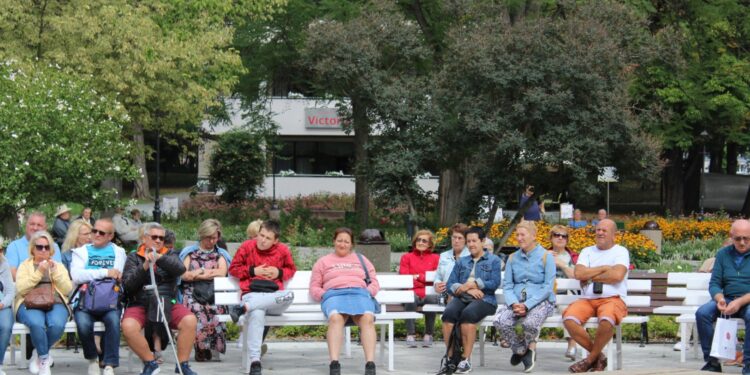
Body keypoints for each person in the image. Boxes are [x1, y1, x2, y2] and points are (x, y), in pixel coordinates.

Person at [121, 222, 198, 375]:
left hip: (167, 301)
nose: (158, 241)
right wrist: (144, 266)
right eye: (154, 237)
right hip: (140, 303)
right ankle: (150, 363)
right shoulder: (133, 257)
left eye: (161, 238)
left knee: (190, 320)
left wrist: (159, 258)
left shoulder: (169, 254)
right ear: (144, 239)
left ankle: (182, 364)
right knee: (128, 327)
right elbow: (128, 285)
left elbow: (180, 269)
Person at [228, 220, 296, 375]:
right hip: (252, 294)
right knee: (257, 313)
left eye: (268, 238)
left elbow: (291, 270)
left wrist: (278, 273)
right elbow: (233, 269)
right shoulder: (247, 246)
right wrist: (253, 271)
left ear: (276, 241)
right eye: (261, 235)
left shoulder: (283, 250)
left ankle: (244, 308)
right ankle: (255, 362)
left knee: (289, 295)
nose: (262, 240)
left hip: (274, 299)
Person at [310, 227, 380, 375]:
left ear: (351, 244)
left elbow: (374, 281)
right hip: (334, 295)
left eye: (346, 241)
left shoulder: (361, 259)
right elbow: (314, 287)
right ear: (334, 241)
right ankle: (334, 364)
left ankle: (370, 364)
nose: (342, 244)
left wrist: (368, 292)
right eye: (339, 240)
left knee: (367, 319)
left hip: (359, 293)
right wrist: (325, 295)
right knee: (335, 318)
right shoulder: (323, 262)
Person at [563, 219, 629, 373]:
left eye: (604, 230)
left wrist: (591, 275)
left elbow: (617, 275)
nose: (600, 233)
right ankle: (598, 357)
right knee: (569, 319)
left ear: (614, 235)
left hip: (613, 299)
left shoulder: (621, 251)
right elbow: (579, 273)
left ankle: (589, 360)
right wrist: (605, 268)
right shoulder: (587, 251)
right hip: (588, 300)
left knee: (607, 320)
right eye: (598, 230)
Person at [437, 226, 502, 375]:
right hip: (463, 297)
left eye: (474, 241)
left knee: (468, 315)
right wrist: (467, 288)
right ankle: (451, 358)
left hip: (485, 299)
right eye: (469, 241)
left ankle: (465, 360)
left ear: (483, 241)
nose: (471, 244)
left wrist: (475, 284)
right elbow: (450, 283)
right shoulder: (462, 261)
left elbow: (495, 282)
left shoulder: (494, 260)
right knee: (448, 314)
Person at [494, 221, 556, 373]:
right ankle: (522, 350)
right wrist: (514, 303)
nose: (519, 238)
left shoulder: (547, 257)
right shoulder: (512, 258)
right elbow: (507, 286)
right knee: (500, 321)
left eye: (523, 234)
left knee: (530, 324)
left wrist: (527, 305)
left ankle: (525, 351)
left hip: (541, 301)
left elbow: (548, 287)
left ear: (534, 236)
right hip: (516, 300)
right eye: (517, 235)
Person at [70, 219, 126, 375]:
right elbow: (77, 276)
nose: (96, 234)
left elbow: (119, 276)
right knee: (82, 323)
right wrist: (105, 272)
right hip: (85, 300)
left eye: (101, 233)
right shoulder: (81, 252)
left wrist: (114, 276)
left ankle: (109, 364)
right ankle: (93, 359)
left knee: (113, 321)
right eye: (94, 231)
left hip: (110, 299)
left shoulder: (118, 252)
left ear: (110, 236)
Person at [695, 219, 750, 373]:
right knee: (702, 313)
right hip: (726, 298)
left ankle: (749, 365)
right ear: (731, 237)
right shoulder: (723, 254)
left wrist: (739, 302)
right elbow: (714, 283)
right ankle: (712, 362)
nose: (742, 242)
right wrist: (719, 298)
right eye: (738, 238)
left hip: (747, 301)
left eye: (746, 238)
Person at [15, 230, 73, 375]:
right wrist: (39, 272)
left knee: (57, 324)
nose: (43, 250)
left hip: (56, 302)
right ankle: (44, 360)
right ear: (32, 249)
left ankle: (39, 352)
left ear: (51, 250)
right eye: (39, 247)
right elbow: (21, 288)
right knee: (36, 323)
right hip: (29, 302)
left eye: (46, 247)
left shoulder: (58, 266)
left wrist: (55, 273)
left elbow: (67, 289)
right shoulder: (25, 265)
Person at [179, 219, 232, 362]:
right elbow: (184, 275)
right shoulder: (190, 253)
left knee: (217, 308)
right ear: (202, 235)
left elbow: (222, 273)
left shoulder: (221, 254)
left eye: (215, 238)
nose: (212, 241)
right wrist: (208, 272)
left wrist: (199, 272)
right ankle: (201, 348)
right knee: (196, 308)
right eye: (209, 237)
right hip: (192, 292)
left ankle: (211, 347)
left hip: (213, 292)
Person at [399, 230, 440, 348]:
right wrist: (425, 279)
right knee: (410, 297)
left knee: (432, 298)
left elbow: (436, 278)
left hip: (429, 292)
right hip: (412, 292)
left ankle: (429, 334)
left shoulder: (436, 258)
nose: (420, 242)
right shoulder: (406, 257)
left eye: (424, 240)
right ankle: (410, 334)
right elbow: (405, 278)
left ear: (430, 244)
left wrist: (418, 277)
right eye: (418, 240)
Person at [546, 225, 579, 360]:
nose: (560, 238)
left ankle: (572, 344)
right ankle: (531, 347)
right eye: (556, 235)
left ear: (567, 239)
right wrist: (542, 259)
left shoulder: (573, 257)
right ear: (551, 238)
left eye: (563, 236)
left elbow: (577, 276)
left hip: (566, 293)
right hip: (546, 293)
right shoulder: (542, 254)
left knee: (568, 308)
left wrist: (562, 264)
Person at [6, 212, 62, 279]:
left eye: (39, 225)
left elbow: (59, 272)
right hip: (24, 288)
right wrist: (34, 281)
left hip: (49, 287)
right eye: (32, 224)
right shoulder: (14, 247)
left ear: (45, 228)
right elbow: (11, 273)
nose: (35, 228)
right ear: (26, 225)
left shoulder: (53, 246)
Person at [434, 223, 470, 300]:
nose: (456, 241)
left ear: (466, 240)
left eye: (460, 238)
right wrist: (437, 284)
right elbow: (438, 276)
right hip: (445, 295)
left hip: (464, 295)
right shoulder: (444, 255)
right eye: (454, 237)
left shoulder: (470, 256)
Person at [0, 241, 16, 375]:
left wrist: (2, 304)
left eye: (0, 250)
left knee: (5, 326)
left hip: (2, 305)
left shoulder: (4, 264)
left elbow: (11, 292)